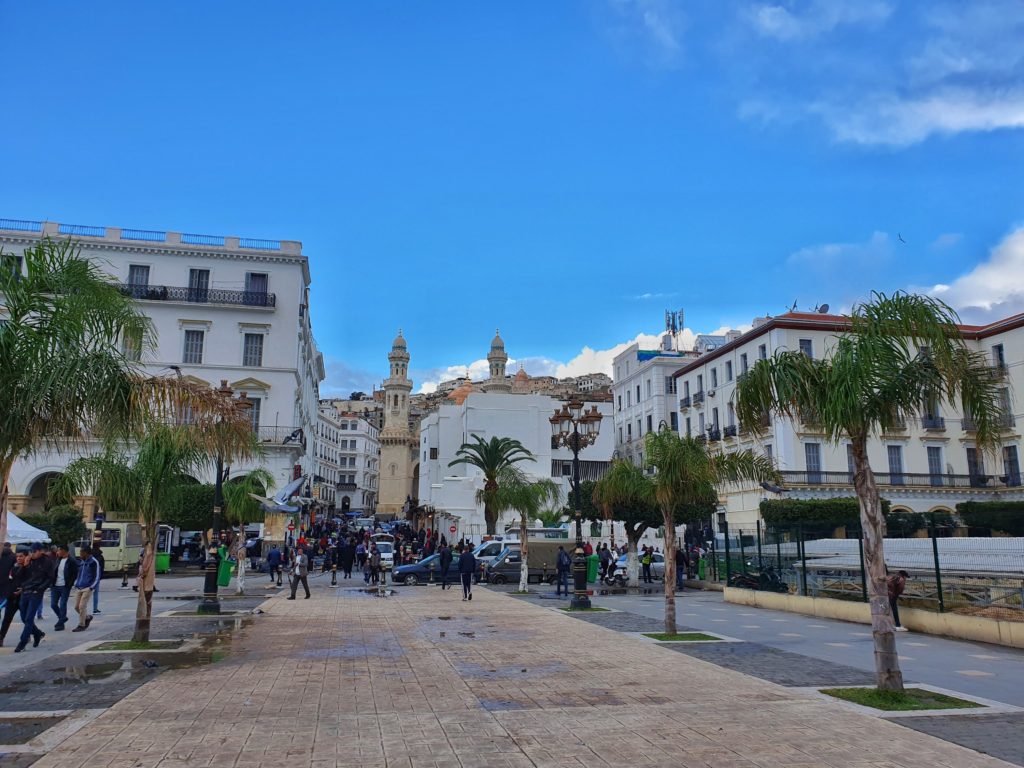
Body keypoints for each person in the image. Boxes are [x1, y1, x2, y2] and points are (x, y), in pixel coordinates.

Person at [15, 543, 53, 652]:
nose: (32, 554)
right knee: (23, 617)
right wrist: (25, 566)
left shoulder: (47, 561)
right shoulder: (29, 561)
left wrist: (40, 589)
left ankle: (22, 642)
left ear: (40, 551)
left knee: (29, 618)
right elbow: (19, 576)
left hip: (35, 592)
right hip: (25, 591)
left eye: (34, 551)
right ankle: (38, 633)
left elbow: (50, 578)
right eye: (31, 552)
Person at [72, 546, 101, 633]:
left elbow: (97, 576)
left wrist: (91, 587)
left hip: (87, 587)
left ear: (86, 553)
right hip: (79, 586)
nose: (80, 554)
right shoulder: (81, 562)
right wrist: (76, 583)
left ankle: (81, 624)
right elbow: (79, 574)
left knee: (82, 606)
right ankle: (87, 617)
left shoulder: (93, 562)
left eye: (81, 552)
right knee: (76, 607)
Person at [0, 548, 25, 647]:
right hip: (11, 594)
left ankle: (34, 633)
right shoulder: (14, 565)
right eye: (17, 557)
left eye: (20, 556)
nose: (18, 558)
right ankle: (1, 637)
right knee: (9, 618)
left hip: (16, 594)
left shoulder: (25, 567)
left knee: (24, 618)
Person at [50, 545, 79, 631]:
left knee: (63, 604)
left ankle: (61, 623)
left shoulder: (71, 561)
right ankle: (62, 618)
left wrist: (70, 584)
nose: (57, 552)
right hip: (55, 585)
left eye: (59, 550)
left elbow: (74, 574)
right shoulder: (58, 560)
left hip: (65, 586)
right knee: (53, 604)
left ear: (64, 551)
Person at [91, 547, 105, 613]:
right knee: (95, 593)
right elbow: (102, 568)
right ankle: (95, 608)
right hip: (96, 577)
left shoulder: (90, 559)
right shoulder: (100, 557)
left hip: (88, 578)